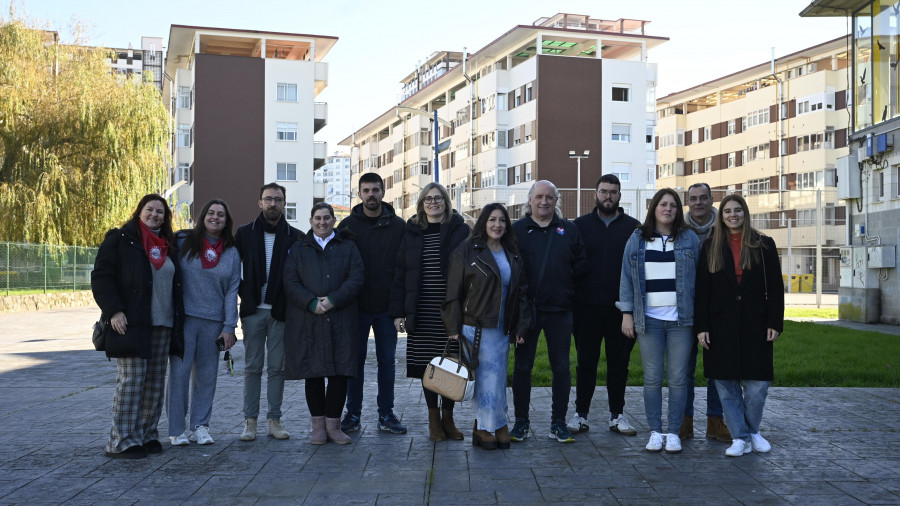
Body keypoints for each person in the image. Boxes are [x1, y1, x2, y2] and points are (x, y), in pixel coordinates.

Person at [91, 194, 184, 459]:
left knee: (154, 383)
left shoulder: (168, 246)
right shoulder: (120, 240)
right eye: (150, 210)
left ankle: (146, 434)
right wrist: (114, 312)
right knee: (131, 381)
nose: (155, 215)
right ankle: (120, 440)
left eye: (160, 212)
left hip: (163, 324)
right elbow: (101, 277)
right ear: (139, 211)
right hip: (130, 323)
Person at [695, 194, 784, 457]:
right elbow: (702, 291)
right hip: (720, 325)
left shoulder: (763, 244)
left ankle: (752, 431)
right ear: (721, 216)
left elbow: (776, 288)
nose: (733, 215)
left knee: (758, 385)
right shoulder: (710, 246)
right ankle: (740, 437)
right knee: (726, 383)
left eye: (737, 211)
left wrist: (774, 321)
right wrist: (701, 326)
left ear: (745, 213)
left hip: (756, 324)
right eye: (727, 212)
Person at [618, 188, 699, 454]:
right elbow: (627, 279)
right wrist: (627, 314)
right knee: (652, 378)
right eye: (662, 205)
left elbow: (700, 280)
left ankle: (673, 432)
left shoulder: (689, 239)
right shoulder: (638, 239)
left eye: (673, 205)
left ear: (678, 210)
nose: (667, 209)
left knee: (678, 378)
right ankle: (655, 431)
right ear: (653, 208)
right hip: (649, 321)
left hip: (681, 322)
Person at [443, 203, 531, 450]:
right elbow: (453, 292)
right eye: (492, 219)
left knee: (499, 378)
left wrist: (521, 326)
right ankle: (483, 427)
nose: (497, 225)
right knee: (485, 379)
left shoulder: (511, 252)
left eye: (502, 220)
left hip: (503, 327)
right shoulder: (467, 251)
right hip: (476, 327)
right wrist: (452, 327)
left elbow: (521, 292)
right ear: (483, 222)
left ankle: (499, 424)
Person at [389, 182, 470, 441]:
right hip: (420, 309)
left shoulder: (460, 230)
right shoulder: (412, 231)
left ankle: (449, 418)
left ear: (446, 202)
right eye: (428, 199)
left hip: (450, 310)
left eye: (438, 198)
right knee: (428, 364)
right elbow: (400, 273)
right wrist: (398, 312)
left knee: (450, 364)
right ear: (421, 204)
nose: (433, 203)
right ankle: (433, 419)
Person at [510, 180, 588, 443]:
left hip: (560, 311)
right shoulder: (517, 230)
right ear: (529, 200)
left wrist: (567, 292)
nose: (544, 202)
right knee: (522, 368)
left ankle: (558, 422)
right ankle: (521, 421)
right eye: (539, 197)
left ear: (557, 201)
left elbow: (581, 266)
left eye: (550, 197)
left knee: (561, 368)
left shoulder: (570, 229)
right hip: (526, 312)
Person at [283, 202, 364, 444]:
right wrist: (311, 303)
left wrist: (332, 300)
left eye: (327, 218)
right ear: (310, 221)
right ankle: (318, 427)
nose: (322, 222)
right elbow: (290, 281)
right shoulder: (298, 249)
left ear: (333, 220)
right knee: (314, 374)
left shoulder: (348, 247)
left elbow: (357, 277)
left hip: (340, 318)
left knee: (339, 374)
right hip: (309, 320)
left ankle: (334, 426)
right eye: (317, 218)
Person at [569, 175, 640, 436]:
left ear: (620, 196)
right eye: (603, 191)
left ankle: (617, 416)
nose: (608, 196)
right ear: (595, 194)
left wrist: (630, 309)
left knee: (619, 363)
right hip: (585, 308)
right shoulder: (579, 226)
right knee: (586, 362)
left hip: (621, 310)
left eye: (613, 192)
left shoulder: (634, 228)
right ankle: (580, 415)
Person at [337, 173, 407, 435]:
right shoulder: (347, 227)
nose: (371, 195)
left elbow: (404, 270)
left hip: (388, 308)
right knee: (354, 363)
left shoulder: (399, 226)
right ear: (359, 194)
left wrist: (400, 308)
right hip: (356, 308)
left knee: (387, 363)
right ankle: (352, 414)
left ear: (384, 192)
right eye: (366, 190)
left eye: (375, 190)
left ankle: (386, 415)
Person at [167, 199, 241, 446]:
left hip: (214, 324)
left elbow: (232, 291)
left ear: (226, 221)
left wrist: (229, 326)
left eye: (221, 214)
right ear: (203, 216)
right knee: (179, 374)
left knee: (208, 377)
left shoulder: (231, 252)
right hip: (184, 320)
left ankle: (200, 426)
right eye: (211, 213)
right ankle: (177, 430)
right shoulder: (183, 242)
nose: (215, 217)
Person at [234, 183, 303, 441]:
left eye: (277, 199)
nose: (273, 203)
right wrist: (245, 293)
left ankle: (274, 420)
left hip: (281, 312)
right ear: (259, 203)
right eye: (268, 199)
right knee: (252, 367)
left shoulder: (296, 237)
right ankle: (249, 422)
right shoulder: (244, 234)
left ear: (284, 203)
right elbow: (231, 270)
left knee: (277, 368)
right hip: (253, 311)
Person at [682, 182, 731, 442]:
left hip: (717, 310)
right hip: (686, 308)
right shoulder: (678, 228)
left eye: (703, 197)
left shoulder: (724, 227)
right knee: (684, 368)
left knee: (715, 367)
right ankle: (685, 421)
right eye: (693, 198)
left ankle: (715, 420)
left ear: (712, 199)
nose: (698, 202)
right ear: (687, 201)